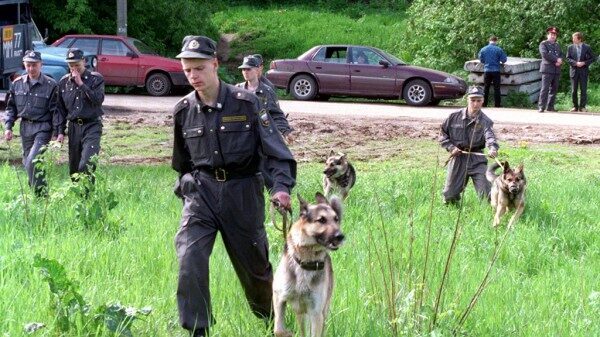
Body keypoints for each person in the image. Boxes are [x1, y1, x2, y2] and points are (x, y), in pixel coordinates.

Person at [171, 36, 296, 337]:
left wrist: (280, 188)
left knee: (256, 274)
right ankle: (198, 330)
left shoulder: (248, 104)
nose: (194, 76)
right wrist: (187, 186)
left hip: (242, 194)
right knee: (190, 257)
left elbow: (277, 153)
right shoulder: (183, 110)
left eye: (199, 68)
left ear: (215, 64)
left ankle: (271, 321)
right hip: (202, 194)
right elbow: (182, 162)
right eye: (188, 70)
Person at [3, 50, 62, 196]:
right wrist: (8, 127)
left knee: (33, 161)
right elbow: (11, 108)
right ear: (24, 65)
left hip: (43, 128)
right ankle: (39, 195)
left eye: (34, 65)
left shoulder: (51, 84)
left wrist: (58, 132)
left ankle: (41, 196)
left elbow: (56, 111)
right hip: (25, 127)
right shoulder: (17, 84)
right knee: (29, 163)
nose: (31, 69)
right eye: (28, 65)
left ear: (41, 65)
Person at [236, 55, 294, 190]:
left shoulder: (267, 91)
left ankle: (275, 192)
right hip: (242, 136)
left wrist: (286, 131)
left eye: (248, 69)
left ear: (257, 70)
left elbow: (275, 113)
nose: (245, 72)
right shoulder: (237, 90)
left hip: (262, 135)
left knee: (265, 166)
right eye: (243, 69)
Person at [439, 86, 499, 205]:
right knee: (449, 195)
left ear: (482, 101)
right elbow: (442, 135)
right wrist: (451, 148)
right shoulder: (453, 117)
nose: (475, 104)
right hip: (458, 157)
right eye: (472, 100)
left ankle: (491, 213)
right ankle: (454, 210)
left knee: (487, 196)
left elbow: (490, 137)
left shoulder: (486, 121)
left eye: (478, 100)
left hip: (477, 160)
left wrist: (492, 148)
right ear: (467, 99)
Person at [57, 48, 105, 181]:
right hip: (73, 127)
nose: (74, 69)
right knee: (75, 169)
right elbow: (60, 109)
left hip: (92, 125)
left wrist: (81, 83)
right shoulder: (63, 82)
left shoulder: (96, 79)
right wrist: (60, 131)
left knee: (87, 163)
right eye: (71, 66)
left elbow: (98, 100)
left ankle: (88, 197)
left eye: (77, 65)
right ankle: (79, 198)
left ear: (84, 61)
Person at [566, 32, 596, 112]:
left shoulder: (587, 47)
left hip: (583, 71)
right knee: (573, 90)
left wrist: (584, 63)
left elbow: (593, 58)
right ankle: (575, 106)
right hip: (574, 71)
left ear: (579, 39)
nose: (572, 40)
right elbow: (568, 58)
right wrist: (576, 63)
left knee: (583, 89)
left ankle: (582, 107)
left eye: (574, 38)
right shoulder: (570, 47)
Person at [538, 26, 563, 113]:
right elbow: (545, 54)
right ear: (548, 35)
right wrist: (556, 60)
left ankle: (550, 106)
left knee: (554, 89)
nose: (553, 36)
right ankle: (541, 107)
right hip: (547, 69)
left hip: (556, 69)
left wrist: (560, 60)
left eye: (555, 35)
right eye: (551, 34)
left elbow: (561, 54)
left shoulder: (557, 45)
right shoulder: (543, 44)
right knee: (545, 88)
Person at [478, 35, 507, 107]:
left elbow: (481, 60)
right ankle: (497, 104)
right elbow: (504, 60)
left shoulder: (483, 49)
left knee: (486, 87)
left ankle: (484, 104)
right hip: (496, 70)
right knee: (497, 88)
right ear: (496, 41)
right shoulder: (498, 49)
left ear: (489, 40)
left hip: (487, 70)